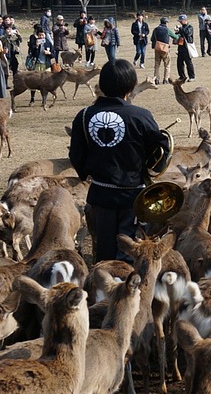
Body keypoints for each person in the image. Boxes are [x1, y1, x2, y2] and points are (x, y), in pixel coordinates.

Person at [69, 58, 171, 263]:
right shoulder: (140, 115)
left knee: (104, 253)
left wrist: (87, 173)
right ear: (131, 85)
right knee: (131, 254)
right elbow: (162, 149)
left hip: (99, 195)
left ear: (103, 84)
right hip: (134, 199)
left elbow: (75, 155)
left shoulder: (84, 116)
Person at [150, 16, 172, 84]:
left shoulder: (155, 29)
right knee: (167, 65)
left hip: (157, 49)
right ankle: (165, 79)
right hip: (165, 49)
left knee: (157, 64)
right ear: (165, 23)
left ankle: (156, 79)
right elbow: (175, 36)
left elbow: (152, 39)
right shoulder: (167, 29)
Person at [174, 14, 195, 82]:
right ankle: (182, 76)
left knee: (188, 62)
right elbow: (178, 35)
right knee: (179, 63)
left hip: (187, 47)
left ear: (185, 20)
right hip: (180, 47)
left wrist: (180, 29)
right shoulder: (182, 28)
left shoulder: (190, 27)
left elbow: (187, 33)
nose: (180, 22)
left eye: (181, 21)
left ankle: (192, 76)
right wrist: (177, 31)